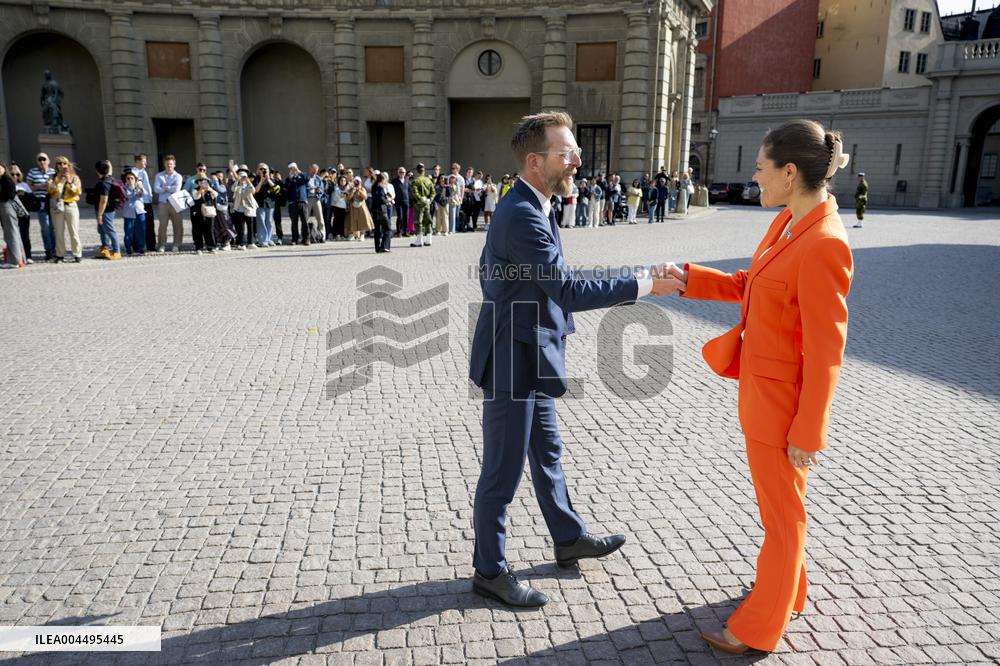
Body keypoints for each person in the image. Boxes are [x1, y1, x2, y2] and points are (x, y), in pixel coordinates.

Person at [467, 111, 681, 608]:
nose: (577, 161)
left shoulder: (532, 203)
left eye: (576, 152)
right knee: (502, 471)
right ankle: (489, 571)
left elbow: (498, 271)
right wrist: (645, 283)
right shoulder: (522, 213)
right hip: (513, 357)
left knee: (547, 452)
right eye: (567, 153)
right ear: (534, 160)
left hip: (532, 348)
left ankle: (567, 538)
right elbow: (566, 288)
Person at [662, 119, 854, 654]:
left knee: (783, 517)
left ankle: (757, 628)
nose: (754, 176)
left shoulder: (824, 243)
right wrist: (689, 278)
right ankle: (789, 592)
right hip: (763, 394)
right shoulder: (790, 222)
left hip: (783, 408)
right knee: (781, 510)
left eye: (760, 167)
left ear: (789, 173)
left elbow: (827, 350)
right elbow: (753, 286)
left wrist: (809, 430)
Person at [47, 156, 82, 262]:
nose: (62, 166)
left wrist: (69, 181)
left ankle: (77, 254)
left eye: (64, 163)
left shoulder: (74, 177)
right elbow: (50, 190)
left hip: (71, 206)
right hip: (58, 206)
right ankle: (60, 254)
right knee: (59, 232)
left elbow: (78, 192)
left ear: (68, 165)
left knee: (74, 231)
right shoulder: (53, 177)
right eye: (59, 163)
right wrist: (57, 181)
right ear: (56, 166)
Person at [26, 153, 55, 261]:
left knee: (54, 227)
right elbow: (28, 187)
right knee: (45, 227)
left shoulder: (53, 172)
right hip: (41, 201)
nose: (42, 161)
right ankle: (49, 251)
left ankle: (55, 250)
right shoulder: (32, 172)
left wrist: (51, 186)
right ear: (37, 162)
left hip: (52, 201)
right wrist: (40, 186)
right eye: (40, 159)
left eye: (44, 159)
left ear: (48, 161)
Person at [154, 155, 184, 252]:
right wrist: (170, 187)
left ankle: (176, 244)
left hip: (175, 203)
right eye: (167, 164)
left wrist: (164, 188)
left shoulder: (178, 176)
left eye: (171, 164)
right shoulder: (159, 176)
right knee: (162, 225)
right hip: (163, 203)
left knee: (177, 225)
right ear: (164, 164)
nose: (169, 166)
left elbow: (177, 189)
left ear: (174, 165)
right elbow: (156, 189)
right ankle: (162, 245)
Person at [0, 162, 27, 268]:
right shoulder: (3, 180)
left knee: (11, 234)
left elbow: (10, 195)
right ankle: (19, 260)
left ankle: (15, 261)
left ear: (4, 169)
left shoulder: (6, 179)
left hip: (7, 208)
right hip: (4, 208)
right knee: (11, 234)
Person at [94, 160, 121, 260]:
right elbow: (110, 170)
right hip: (105, 210)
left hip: (105, 211)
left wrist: (100, 215)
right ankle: (105, 250)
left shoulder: (104, 183)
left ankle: (117, 251)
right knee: (102, 230)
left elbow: (104, 200)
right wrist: (109, 164)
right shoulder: (109, 178)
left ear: (97, 171)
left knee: (110, 230)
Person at [8, 165, 33, 263]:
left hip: (23, 213)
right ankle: (15, 257)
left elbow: (32, 199)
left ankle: (28, 256)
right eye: (12, 174)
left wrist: (25, 194)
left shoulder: (24, 185)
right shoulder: (6, 184)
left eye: (17, 174)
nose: (15, 176)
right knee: (12, 235)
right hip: (10, 213)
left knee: (25, 235)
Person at [230, 166, 258, 250]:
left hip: (249, 208)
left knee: (250, 227)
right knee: (240, 228)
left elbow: (253, 191)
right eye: (241, 176)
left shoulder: (248, 185)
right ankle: (240, 243)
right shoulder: (237, 185)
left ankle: (251, 242)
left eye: (244, 176)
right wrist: (237, 181)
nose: (243, 178)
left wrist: (248, 182)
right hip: (239, 209)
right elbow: (233, 189)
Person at [254, 163, 280, 247]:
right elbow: (255, 190)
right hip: (260, 204)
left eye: (265, 169)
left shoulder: (272, 179)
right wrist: (261, 180)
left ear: (268, 171)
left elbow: (276, 190)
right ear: (258, 170)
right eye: (261, 169)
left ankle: (269, 239)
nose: (263, 170)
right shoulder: (256, 179)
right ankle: (263, 240)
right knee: (261, 222)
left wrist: (268, 180)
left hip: (270, 204)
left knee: (269, 222)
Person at [121, 169, 146, 255]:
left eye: (132, 178)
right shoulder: (123, 188)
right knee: (128, 231)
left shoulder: (139, 186)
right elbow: (129, 196)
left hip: (139, 211)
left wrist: (140, 187)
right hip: (128, 212)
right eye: (128, 178)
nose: (130, 180)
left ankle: (140, 247)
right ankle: (129, 247)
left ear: (135, 179)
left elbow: (144, 195)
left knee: (141, 230)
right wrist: (134, 189)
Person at [133, 154, 155, 251]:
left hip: (147, 201)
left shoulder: (144, 172)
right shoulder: (133, 173)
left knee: (150, 224)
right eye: (143, 161)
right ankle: (138, 246)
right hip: (140, 202)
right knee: (139, 225)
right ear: (137, 161)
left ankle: (151, 246)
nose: (145, 163)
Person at [409, 163, 434, 247]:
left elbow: (415, 193)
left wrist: (421, 199)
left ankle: (419, 241)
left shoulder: (415, 181)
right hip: (427, 203)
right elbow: (433, 192)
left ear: (417, 170)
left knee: (418, 221)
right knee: (428, 220)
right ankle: (429, 240)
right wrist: (429, 200)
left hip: (419, 204)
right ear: (424, 170)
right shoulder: (428, 180)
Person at [345, 177, 373, 241]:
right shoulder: (351, 189)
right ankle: (352, 235)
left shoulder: (362, 189)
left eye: (358, 181)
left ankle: (362, 235)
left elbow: (365, 197)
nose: (356, 183)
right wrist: (353, 191)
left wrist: (359, 191)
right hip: (353, 207)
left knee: (363, 220)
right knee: (353, 220)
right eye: (355, 181)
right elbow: (348, 198)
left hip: (361, 207)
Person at [371, 172, 392, 253]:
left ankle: (377, 247)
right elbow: (381, 199)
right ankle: (384, 246)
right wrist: (388, 200)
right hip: (381, 211)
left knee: (377, 230)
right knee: (388, 229)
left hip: (375, 210)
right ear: (382, 179)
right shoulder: (380, 187)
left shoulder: (374, 187)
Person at [390, 166, 410, 238]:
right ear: (398, 173)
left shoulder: (407, 180)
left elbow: (409, 190)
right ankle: (399, 231)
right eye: (400, 172)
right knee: (400, 217)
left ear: (405, 173)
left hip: (406, 201)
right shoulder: (394, 181)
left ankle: (405, 231)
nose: (402, 173)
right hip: (398, 201)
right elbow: (391, 191)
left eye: (403, 172)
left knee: (406, 217)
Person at [330, 174, 348, 240]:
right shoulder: (336, 188)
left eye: (344, 180)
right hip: (337, 207)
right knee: (336, 221)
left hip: (344, 207)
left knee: (342, 222)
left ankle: (342, 234)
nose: (343, 182)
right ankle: (336, 234)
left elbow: (347, 198)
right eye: (341, 180)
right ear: (339, 181)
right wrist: (343, 195)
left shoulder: (347, 189)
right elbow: (335, 198)